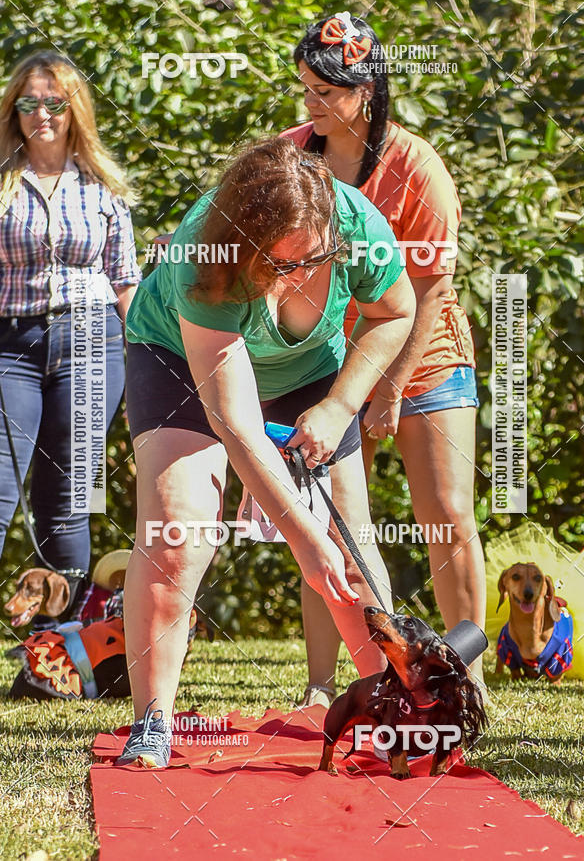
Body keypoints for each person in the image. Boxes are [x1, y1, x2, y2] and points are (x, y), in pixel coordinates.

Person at [117, 136, 416, 768]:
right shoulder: (203, 254)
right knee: (179, 530)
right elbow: (235, 422)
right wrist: (303, 538)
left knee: (350, 546)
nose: (298, 277)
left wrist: (340, 406)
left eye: (313, 259)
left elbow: (395, 313)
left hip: (309, 374)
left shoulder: (359, 227)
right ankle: (152, 721)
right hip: (180, 362)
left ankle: (393, 711)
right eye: (278, 264)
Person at [283, 12, 486, 704]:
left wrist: (392, 387)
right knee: (327, 524)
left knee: (446, 515)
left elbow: (430, 290)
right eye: (305, 88)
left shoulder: (417, 167)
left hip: (424, 359)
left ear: (365, 91)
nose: (310, 102)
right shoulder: (292, 157)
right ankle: (321, 686)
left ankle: (465, 678)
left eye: (325, 91)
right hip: (330, 365)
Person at [0, 50, 141, 622]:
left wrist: (152, 360)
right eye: (28, 103)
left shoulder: (103, 186)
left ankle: (61, 641)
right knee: (0, 489)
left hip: (92, 342)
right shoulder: (2, 180)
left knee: (70, 498)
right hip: (12, 344)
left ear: (73, 110)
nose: (42, 114)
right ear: (14, 111)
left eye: (54, 103)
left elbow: (125, 280)